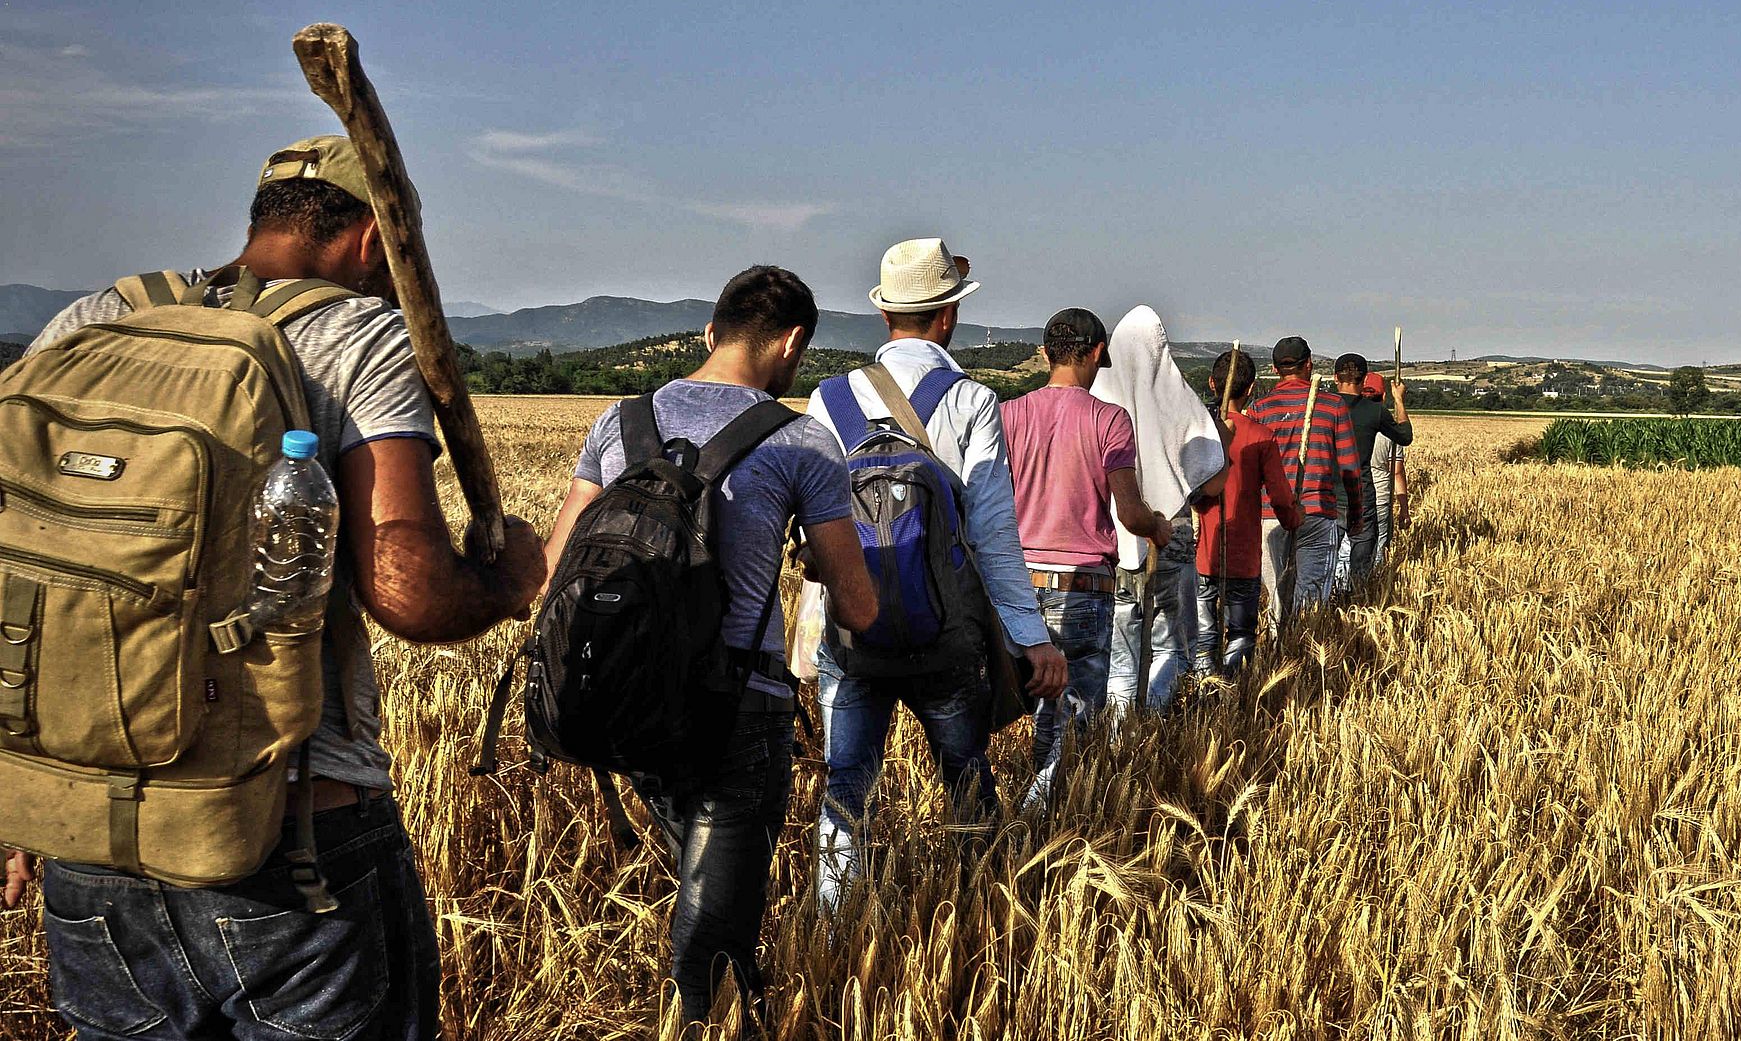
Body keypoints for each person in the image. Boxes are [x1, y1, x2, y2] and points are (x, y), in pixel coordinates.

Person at [2, 135, 547, 1040]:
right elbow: (406, 588)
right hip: (289, 846)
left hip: (84, 840)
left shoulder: (91, 320)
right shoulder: (358, 334)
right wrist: (504, 581)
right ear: (377, 244)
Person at [545, 265, 878, 1022]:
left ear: (709, 333)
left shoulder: (619, 421)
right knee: (711, 951)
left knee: (712, 915)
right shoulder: (802, 440)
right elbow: (859, 607)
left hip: (631, 704)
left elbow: (557, 572)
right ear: (794, 342)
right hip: (738, 713)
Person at [804, 239, 1068, 909]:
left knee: (845, 791)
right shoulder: (972, 399)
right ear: (947, 316)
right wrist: (1031, 635)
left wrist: (813, 637)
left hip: (852, 638)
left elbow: (819, 530)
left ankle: (834, 935)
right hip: (945, 635)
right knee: (967, 779)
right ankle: (983, 913)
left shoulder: (827, 400)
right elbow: (992, 532)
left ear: (885, 316)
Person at [1001, 308, 1171, 805]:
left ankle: (1029, 814)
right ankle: (1044, 819)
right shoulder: (1109, 420)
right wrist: (1158, 527)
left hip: (1018, 589)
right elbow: (1132, 513)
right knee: (1075, 718)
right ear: (1098, 352)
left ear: (1044, 352)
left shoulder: (1008, 414)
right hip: (1082, 590)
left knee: (1038, 711)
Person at [1088, 306, 1225, 715]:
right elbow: (1213, 479)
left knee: (1121, 654)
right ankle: (1158, 725)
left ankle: (1119, 741)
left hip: (1113, 538)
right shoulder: (1177, 395)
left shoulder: (1096, 396)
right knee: (1170, 641)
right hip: (1172, 530)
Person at [1194, 349, 1302, 676]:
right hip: (1242, 555)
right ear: (1252, 388)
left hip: (1201, 553)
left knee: (1202, 636)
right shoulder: (1260, 436)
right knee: (1240, 634)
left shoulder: (1195, 433)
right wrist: (1295, 520)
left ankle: (1204, 693)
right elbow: (1281, 498)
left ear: (1212, 383)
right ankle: (1232, 695)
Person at [1246, 336, 1364, 619]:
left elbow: (1250, 470)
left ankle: (1278, 654)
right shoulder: (1333, 406)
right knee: (1311, 598)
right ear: (1309, 364)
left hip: (1269, 514)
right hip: (1317, 512)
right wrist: (1356, 515)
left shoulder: (1259, 410)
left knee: (1277, 597)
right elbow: (1350, 469)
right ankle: (1302, 656)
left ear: (1275, 369)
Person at [1332, 357, 1414, 586]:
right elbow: (1405, 436)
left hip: (1327, 495)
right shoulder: (1374, 411)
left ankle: (1323, 609)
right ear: (1364, 378)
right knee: (1362, 560)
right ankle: (1357, 601)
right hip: (1362, 495)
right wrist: (1398, 400)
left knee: (1327, 557)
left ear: (1335, 377)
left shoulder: (1324, 405)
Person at [1358, 371, 1415, 566]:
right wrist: (1404, 510)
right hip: (1381, 497)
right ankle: (1372, 589)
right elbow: (1397, 472)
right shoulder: (1389, 429)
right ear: (1383, 397)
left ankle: (1345, 591)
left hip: (1350, 496)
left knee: (1347, 549)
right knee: (1379, 548)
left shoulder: (1349, 421)